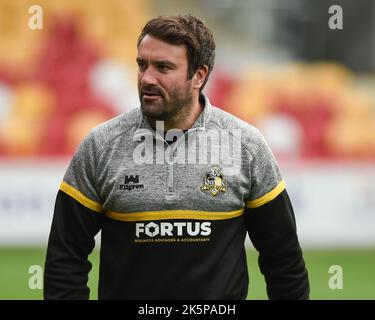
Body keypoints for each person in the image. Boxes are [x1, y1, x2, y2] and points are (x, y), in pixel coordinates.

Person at [44, 14, 310, 300]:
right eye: (142, 65)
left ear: (199, 76)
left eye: (163, 67)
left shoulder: (246, 147)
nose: (147, 78)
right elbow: (65, 260)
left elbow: (283, 262)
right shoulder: (100, 146)